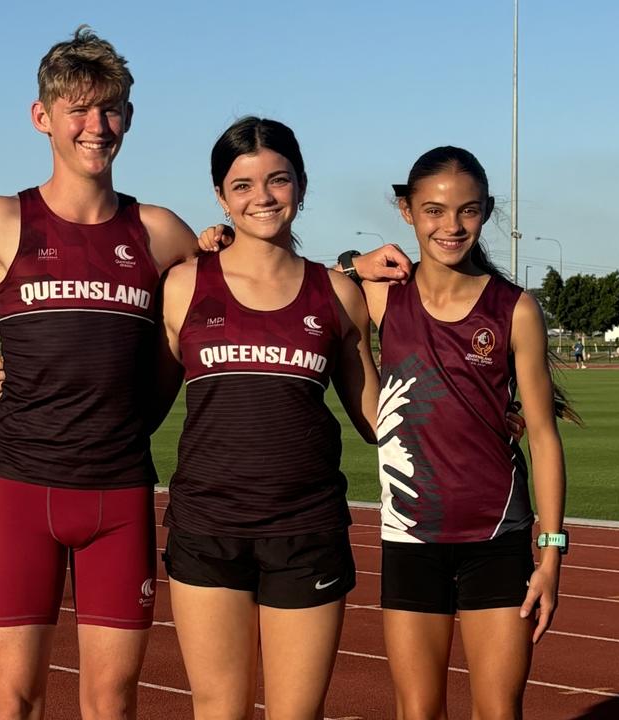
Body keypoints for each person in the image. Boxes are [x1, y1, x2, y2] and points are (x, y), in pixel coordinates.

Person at [0, 30, 411, 720]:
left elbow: (259, 267)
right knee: (14, 700)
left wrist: (347, 273)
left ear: (129, 118)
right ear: (41, 117)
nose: (95, 126)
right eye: (77, 109)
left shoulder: (157, 231)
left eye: (109, 109)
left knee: (111, 702)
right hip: (21, 492)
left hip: (117, 493)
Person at [344, 146, 577, 720]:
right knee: (417, 711)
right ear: (406, 211)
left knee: (499, 712)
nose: (451, 226)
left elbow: (544, 437)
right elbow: (297, 282)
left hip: (496, 537)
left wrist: (550, 554)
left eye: (468, 212)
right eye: (433, 211)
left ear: (487, 211)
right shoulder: (381, 295)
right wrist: (353, 261)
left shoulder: (514, 309)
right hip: (410, 535)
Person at [158, 117, 379, 719]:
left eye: (277, 180)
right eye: (242, 185)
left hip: (304, 529)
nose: (262, 198)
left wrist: (479, 413)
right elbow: (136, 397)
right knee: (218, 710)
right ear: (220, 196)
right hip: (208, 528)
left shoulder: (337, 292)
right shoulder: (181, 285)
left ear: (301, 187)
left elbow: (374, 416)